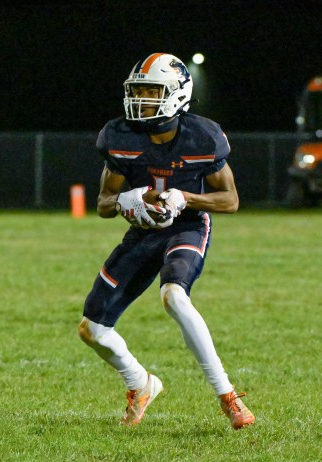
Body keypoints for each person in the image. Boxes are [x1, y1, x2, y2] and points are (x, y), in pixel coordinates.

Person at [78, 53, 255, 429]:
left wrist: (185, 197)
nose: (140, 100)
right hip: (143, 232)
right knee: (91, 330)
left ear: (177, 94)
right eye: (137, 91)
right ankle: (140, 383)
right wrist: (127, 200)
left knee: (173, 295)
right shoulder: (119, 136)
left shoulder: (203, 136)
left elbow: (231, 200)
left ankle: (227, 394)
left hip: (187, 225)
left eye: (150, 91)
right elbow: (103, 204)